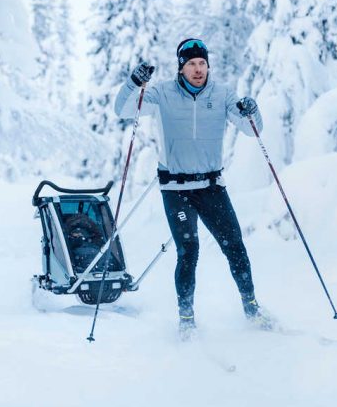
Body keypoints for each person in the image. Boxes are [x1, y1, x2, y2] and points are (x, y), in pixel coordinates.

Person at [114, 38, 270, 338]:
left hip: (211, 187)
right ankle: (186, 319)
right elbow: (122, 110)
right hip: (176, 189)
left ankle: (252, 309)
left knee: (235, 246)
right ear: (181, 68)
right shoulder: (161, 93)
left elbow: (253, 129)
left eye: (202, 63)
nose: (198, 70)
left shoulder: (222, 94)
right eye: (191, 65)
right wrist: (134, 82)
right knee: (189, 250)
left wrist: (253, 110)